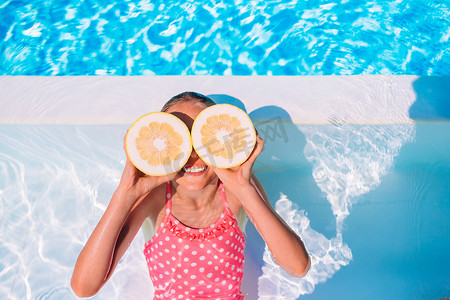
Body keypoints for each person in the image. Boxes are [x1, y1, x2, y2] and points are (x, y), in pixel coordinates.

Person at [71, 92, 310, 299]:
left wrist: (245, 190)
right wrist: (124, 195)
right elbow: (84, 288)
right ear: (160, 147)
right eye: (179, 140)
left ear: (221, 141)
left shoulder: (237, 189)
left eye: (203, 140)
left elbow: (297, 267)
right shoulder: (154, 199)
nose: (192, 154)